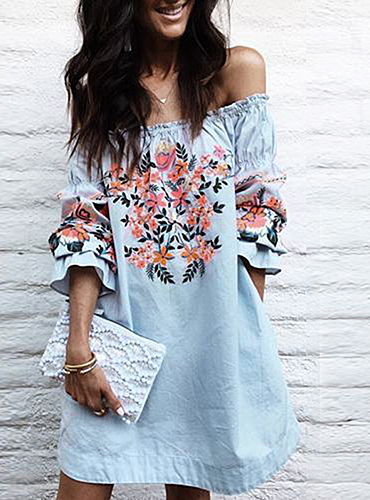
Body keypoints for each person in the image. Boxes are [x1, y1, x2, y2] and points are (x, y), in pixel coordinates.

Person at [46, 0, 302, 498]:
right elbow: (87, 228)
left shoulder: (236, 72)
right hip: (123, 330)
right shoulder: (100, 92)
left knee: (190, 488)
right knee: (82, 481)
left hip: (210, 331)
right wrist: (79, 346)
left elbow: (257, 212)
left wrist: (237, 335)